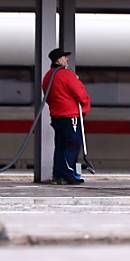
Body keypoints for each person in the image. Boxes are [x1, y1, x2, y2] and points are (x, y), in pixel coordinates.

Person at [42, 48, 91, 185]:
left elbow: (48, 97)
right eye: (64, 57)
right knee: (73, 143)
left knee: (60, 145)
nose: (67, 59)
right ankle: (69, 174)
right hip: (71, 116)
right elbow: (81, 93)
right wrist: (85, 108)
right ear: (58, 60)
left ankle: (58, 174)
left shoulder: (47, 77)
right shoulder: (66, 75)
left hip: (56, 116)